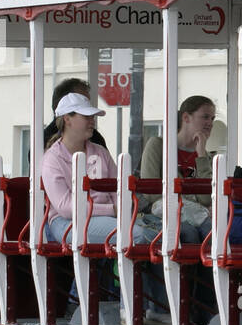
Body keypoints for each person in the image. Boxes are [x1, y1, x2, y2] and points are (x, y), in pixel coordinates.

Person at [42, 91, 161, 312]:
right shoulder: (52, 159)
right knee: (137, 235)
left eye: (92, 116)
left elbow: (119, 189)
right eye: (86, 116)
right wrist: (113, 209)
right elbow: (66, 208)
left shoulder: (99, 152)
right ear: (67, 119)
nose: (92, 121)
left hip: (104, 218)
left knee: (159, 236)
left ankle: (152, 309)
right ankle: (135, 309)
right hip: (66, 223)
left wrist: (119, 209)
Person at [139, 94, 216, 245]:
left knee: (212, 232)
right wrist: (193, 200)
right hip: (162, 215)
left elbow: (206, 198)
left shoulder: (205, 157)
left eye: (212, 119)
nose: (210, 123)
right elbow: (151, 193)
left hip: (194, 215)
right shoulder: (158, 145)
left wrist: (201, 155)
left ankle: (210, 269)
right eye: (205, 117)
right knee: (188, 233)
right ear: (186, 117)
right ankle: (185, 270)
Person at [41, 77, 108, 152]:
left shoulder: (96, 139)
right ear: (67, 118)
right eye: (81, 100)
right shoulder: (43, 143)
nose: (92, 120)